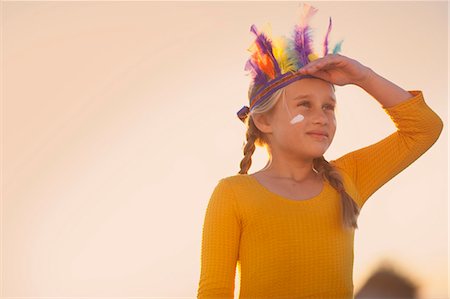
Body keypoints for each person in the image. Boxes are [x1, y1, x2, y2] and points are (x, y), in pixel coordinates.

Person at [197, 3, 443, 299]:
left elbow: (424, 128)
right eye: (304, 105)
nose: (321, 117)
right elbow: (214, 291)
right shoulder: (233, 193)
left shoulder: (347, 178)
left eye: (329, 107)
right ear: (263, 120)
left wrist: (363, 76)